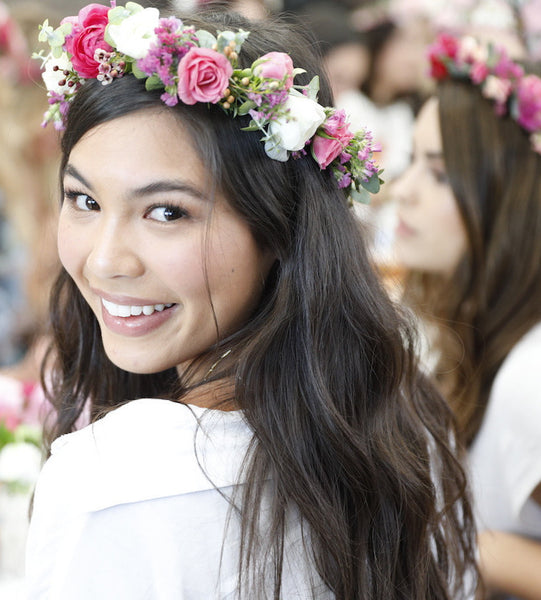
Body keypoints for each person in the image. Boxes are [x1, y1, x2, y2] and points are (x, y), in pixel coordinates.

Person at [27, 4, 479, 599]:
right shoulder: (405, 417)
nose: (106, 260)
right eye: (83, 200)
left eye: (167, 212)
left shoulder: (111, 480)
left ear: (277, 232)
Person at [393, 33, 541, 600]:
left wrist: (456, 537)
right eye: (413, 163)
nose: (402, 191)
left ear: (509, 199)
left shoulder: (529, 374)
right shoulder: (465, 327)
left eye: (439, 172)